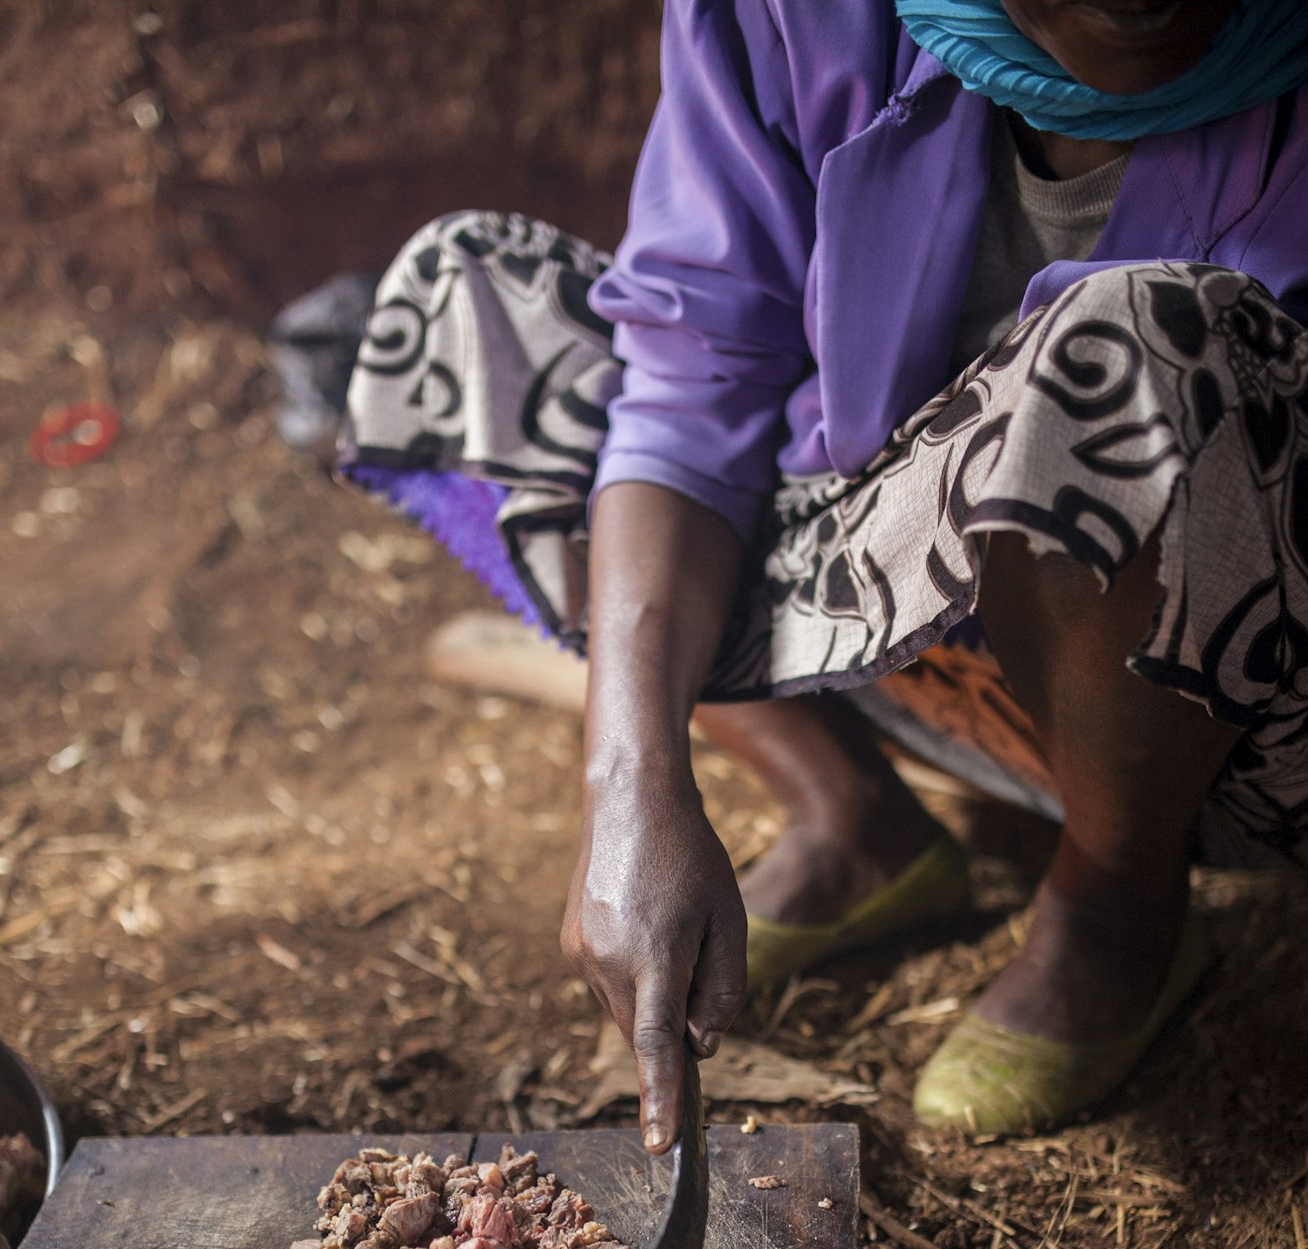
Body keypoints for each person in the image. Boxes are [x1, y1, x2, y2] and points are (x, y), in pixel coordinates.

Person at [340, 0, 1308, 1144]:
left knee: (1129, 342)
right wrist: (628, 784)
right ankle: (855, 817)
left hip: (1219, 709)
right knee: (472, 301)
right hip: (913, 653)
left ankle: (1113, 903)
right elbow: (691, 379)